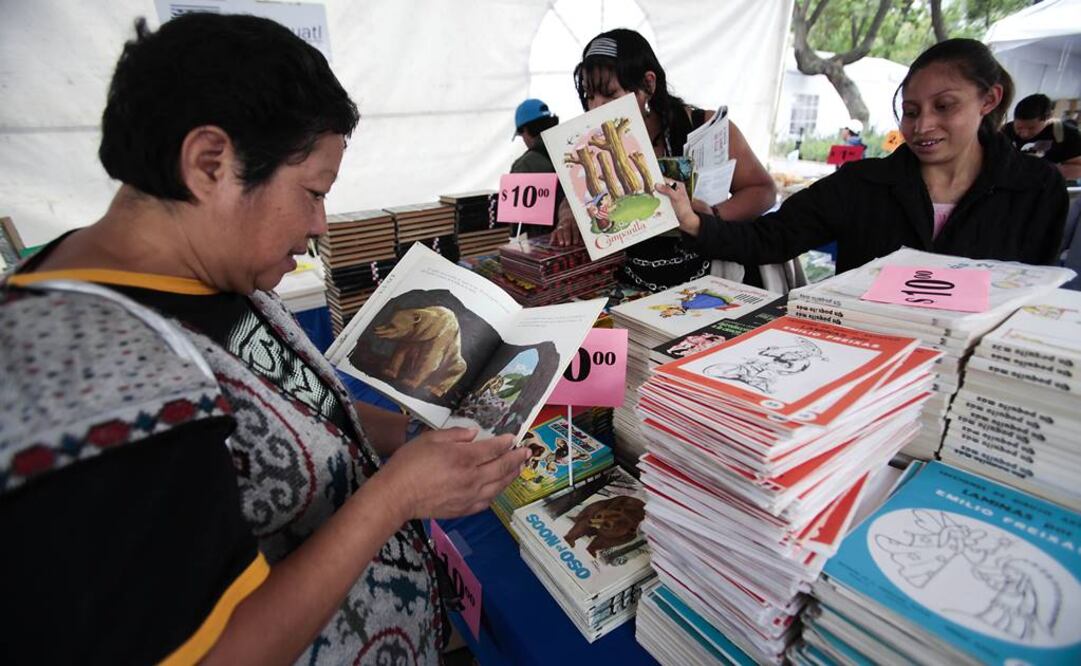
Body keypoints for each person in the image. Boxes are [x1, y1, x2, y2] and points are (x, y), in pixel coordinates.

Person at [0, 14, 529, 665]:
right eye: (311, 192)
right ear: (210, 163)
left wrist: (407, 438)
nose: (319, 225)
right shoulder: (90, 379)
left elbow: (293, 411)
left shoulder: (209, 272)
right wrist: (396, 497)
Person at [662, 38, 1068, 273]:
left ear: (989, 99)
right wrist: (694, 221)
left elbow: (1029, 292)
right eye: (910, 112)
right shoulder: (862, 186)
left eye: (944, 106)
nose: (923, 126)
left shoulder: (1036, 188)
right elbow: (771, 238)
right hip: (870, 377)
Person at [551, 28, 777, 291]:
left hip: (708, 281)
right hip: (632, 286)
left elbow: (763, 190)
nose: (596, 107)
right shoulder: (593, 142)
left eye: (610, 95)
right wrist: (568, 216)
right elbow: (577, 194)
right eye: (590, 96)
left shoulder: (704, 127)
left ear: (647, 85)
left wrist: (712, 217)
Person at [511, 98, 564, 234]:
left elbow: (517, 226)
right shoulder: (575, 147)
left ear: (525, 130)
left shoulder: (523, 166)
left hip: (548, 245)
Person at [1003, 93, 1081, 180]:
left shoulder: (1067, 134)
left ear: (1048, 118)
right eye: (1019, 127)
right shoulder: (1006, 130)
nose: (1024, 133)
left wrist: (1044, 170)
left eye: (1031, 128)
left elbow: (1078, 168)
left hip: (1044, 187)